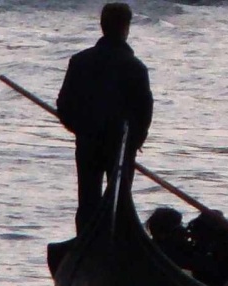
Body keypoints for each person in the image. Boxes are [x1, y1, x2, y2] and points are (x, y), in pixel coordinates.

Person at [57, 3, 153, 234]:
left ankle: (85, 243)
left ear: (103, 26)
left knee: (88, 203)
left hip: (89, 143)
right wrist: (134, 142)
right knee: (120, 205)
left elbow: (64, 105)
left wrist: (81, 129)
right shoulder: (135, 68)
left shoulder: (80, 61)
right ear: (126, 28)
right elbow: (144, 112)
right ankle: (116, 249)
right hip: (120, 146)